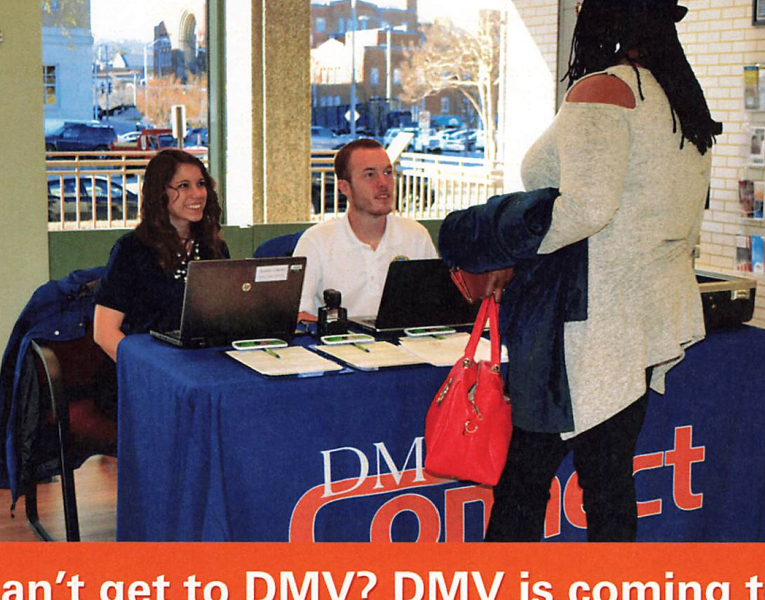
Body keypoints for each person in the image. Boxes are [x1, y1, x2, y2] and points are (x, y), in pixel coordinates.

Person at [456, 0, 721, 542]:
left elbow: (586, 209)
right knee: (607, 484)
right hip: (644, 318)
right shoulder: (678, 100)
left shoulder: (603, 88)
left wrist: (509, 248)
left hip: (586, 327)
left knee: (525, 485)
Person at [93, 149, 230, 362]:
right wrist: (150, 372)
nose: (197, 193)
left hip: (203, 365)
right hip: (150, 368)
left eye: (201, 184)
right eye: (184, 186)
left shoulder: (213, 247)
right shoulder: (131, 250)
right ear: (159, 193)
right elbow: (104, 333)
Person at [294, 138, 437, 322]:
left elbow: (435, 307)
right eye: (370, 175)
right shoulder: (316, 241)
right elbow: (299, 314)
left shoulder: (416, 235)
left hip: (403, 345)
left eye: (387, 172)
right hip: (341, 345)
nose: (383, 183)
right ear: (344, 187)